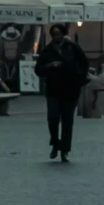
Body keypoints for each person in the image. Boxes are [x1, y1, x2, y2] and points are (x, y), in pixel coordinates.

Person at [36, 25, 91, 159]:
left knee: (67, 121)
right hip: (53, 90)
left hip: (71, 89)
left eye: (58, 34)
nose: (56, 36)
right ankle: (55, 142)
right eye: (54, 34)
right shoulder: (47, 50)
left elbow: (84, 62)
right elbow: (38, 70)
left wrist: (79, 78)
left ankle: (64, 150)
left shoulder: (72, 48)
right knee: (53, 118)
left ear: (63, 34)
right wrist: (50, 66)